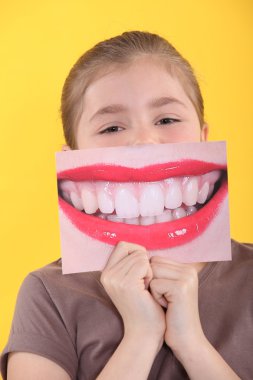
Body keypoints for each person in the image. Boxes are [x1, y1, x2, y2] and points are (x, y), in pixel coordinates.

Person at [1, 30, 252, 380]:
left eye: (166, 120)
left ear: (203, 137)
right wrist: (140, 337)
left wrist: (191, 343)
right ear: (71, 160)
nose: (144, 141)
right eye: (112, 127)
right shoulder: (48, 295)